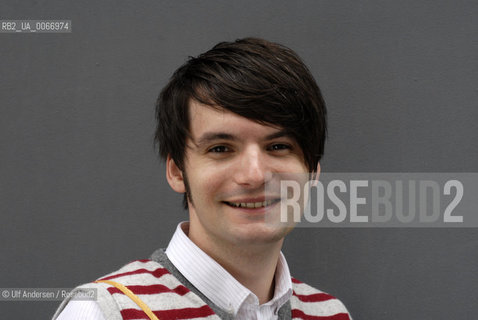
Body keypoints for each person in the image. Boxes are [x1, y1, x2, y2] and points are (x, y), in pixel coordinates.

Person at [53, 38, 351, 320]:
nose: (254, 175)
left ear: (313, 170)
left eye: (278, 147)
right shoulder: (106, 312)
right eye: (221, 149)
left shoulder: (330, 313)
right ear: (177, 171)